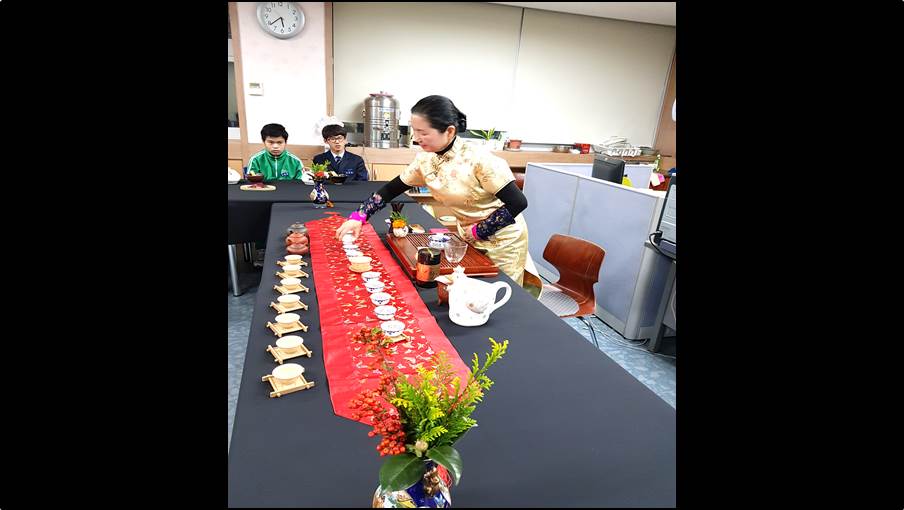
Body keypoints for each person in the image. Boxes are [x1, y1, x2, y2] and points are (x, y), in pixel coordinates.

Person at [335, 95, 537, 287]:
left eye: (423, 133)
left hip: (503, 239)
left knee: (500, 292)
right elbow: (391, 189)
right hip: (467, 236)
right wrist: (359, 216)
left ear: (449, 131)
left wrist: (479, 230)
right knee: (470, 290)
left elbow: (518, 202)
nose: (416, 138)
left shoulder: (479, 160)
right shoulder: (425, 159)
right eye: (415, 131)